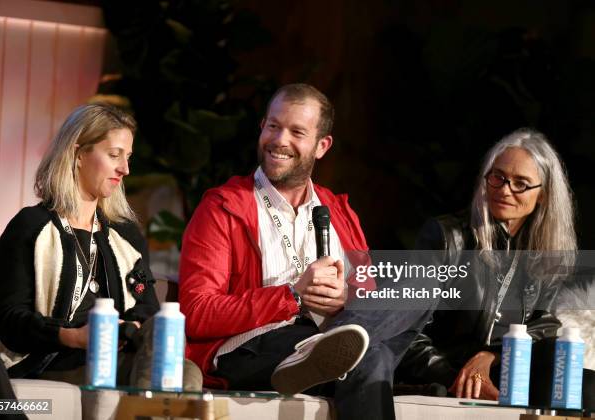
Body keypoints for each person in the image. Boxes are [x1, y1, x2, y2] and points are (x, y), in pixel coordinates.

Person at [179, 83, 433, 420]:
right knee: (374, 358)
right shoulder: (223, 207)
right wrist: (293, 296)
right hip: (253, 346)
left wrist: (345, 299)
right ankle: (322, 348)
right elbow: (197, 312)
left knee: (422, 288)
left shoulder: (338, 210)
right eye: (273, 126)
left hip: (329, 337)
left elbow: (371, 300)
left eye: (296, 131)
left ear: (321, 146)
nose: (279, 140)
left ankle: (328, 344)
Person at [398, 128, 579, 401]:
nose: (505, 190)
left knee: (585, 385)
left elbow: (545, 327)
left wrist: (491, 357)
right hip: (445, 377)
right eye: (498, 177)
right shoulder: (447, 237)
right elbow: (408, 333)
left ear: (543, 195)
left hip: (507, 374)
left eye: (521, 183)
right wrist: (460, 379)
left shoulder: (545, 251)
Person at [0, 103, 164, 384]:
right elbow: (11, 322)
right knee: (157, 371)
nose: (125, 169)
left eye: (128, 157)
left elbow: (148, 310)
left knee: (176, 361)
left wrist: (129, 327)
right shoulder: (31, 226)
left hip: (122, 355)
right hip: (54, 357)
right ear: (78, 153)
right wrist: (74, 336)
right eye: (114, 155)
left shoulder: (126, 235)